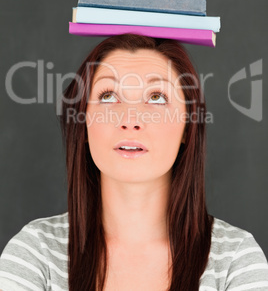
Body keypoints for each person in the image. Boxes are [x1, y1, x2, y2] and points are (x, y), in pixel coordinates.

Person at [0, 34, 267, 291]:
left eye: (157, 97)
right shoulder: (36, 252)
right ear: (82, 123)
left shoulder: (236, 259)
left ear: (188, 127)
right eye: (108, 96)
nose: (130, 119)